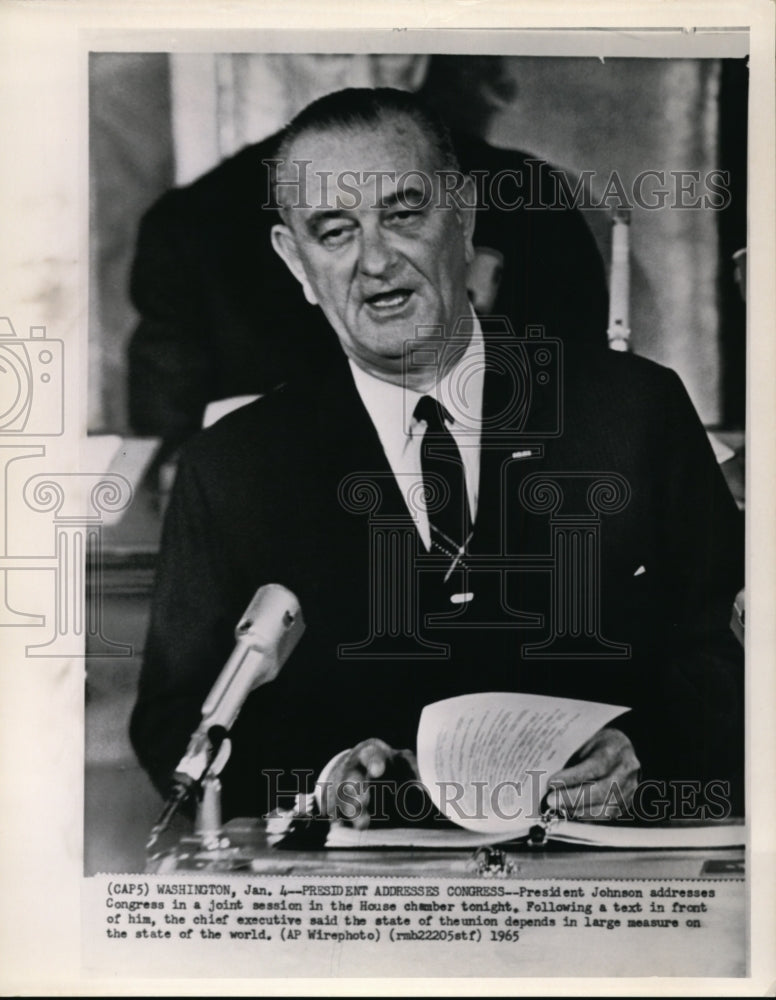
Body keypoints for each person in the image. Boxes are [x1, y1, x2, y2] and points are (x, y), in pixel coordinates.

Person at [130, 88, 743, 829]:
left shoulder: (631, 411)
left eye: (403, 214)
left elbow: (739, 654)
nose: (376, 261)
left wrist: (646, 750)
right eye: (334, 231)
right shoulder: (233, 467)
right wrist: (324, 780)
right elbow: (177, 726)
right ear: (295, 261)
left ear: (464, 214)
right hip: (361, 921)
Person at [127, 56, 609, 456]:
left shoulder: (529, 198)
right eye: (329, 49)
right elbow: (172, 457)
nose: (361, 60)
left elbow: (586, 417)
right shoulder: (191, 226)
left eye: (389, 37)